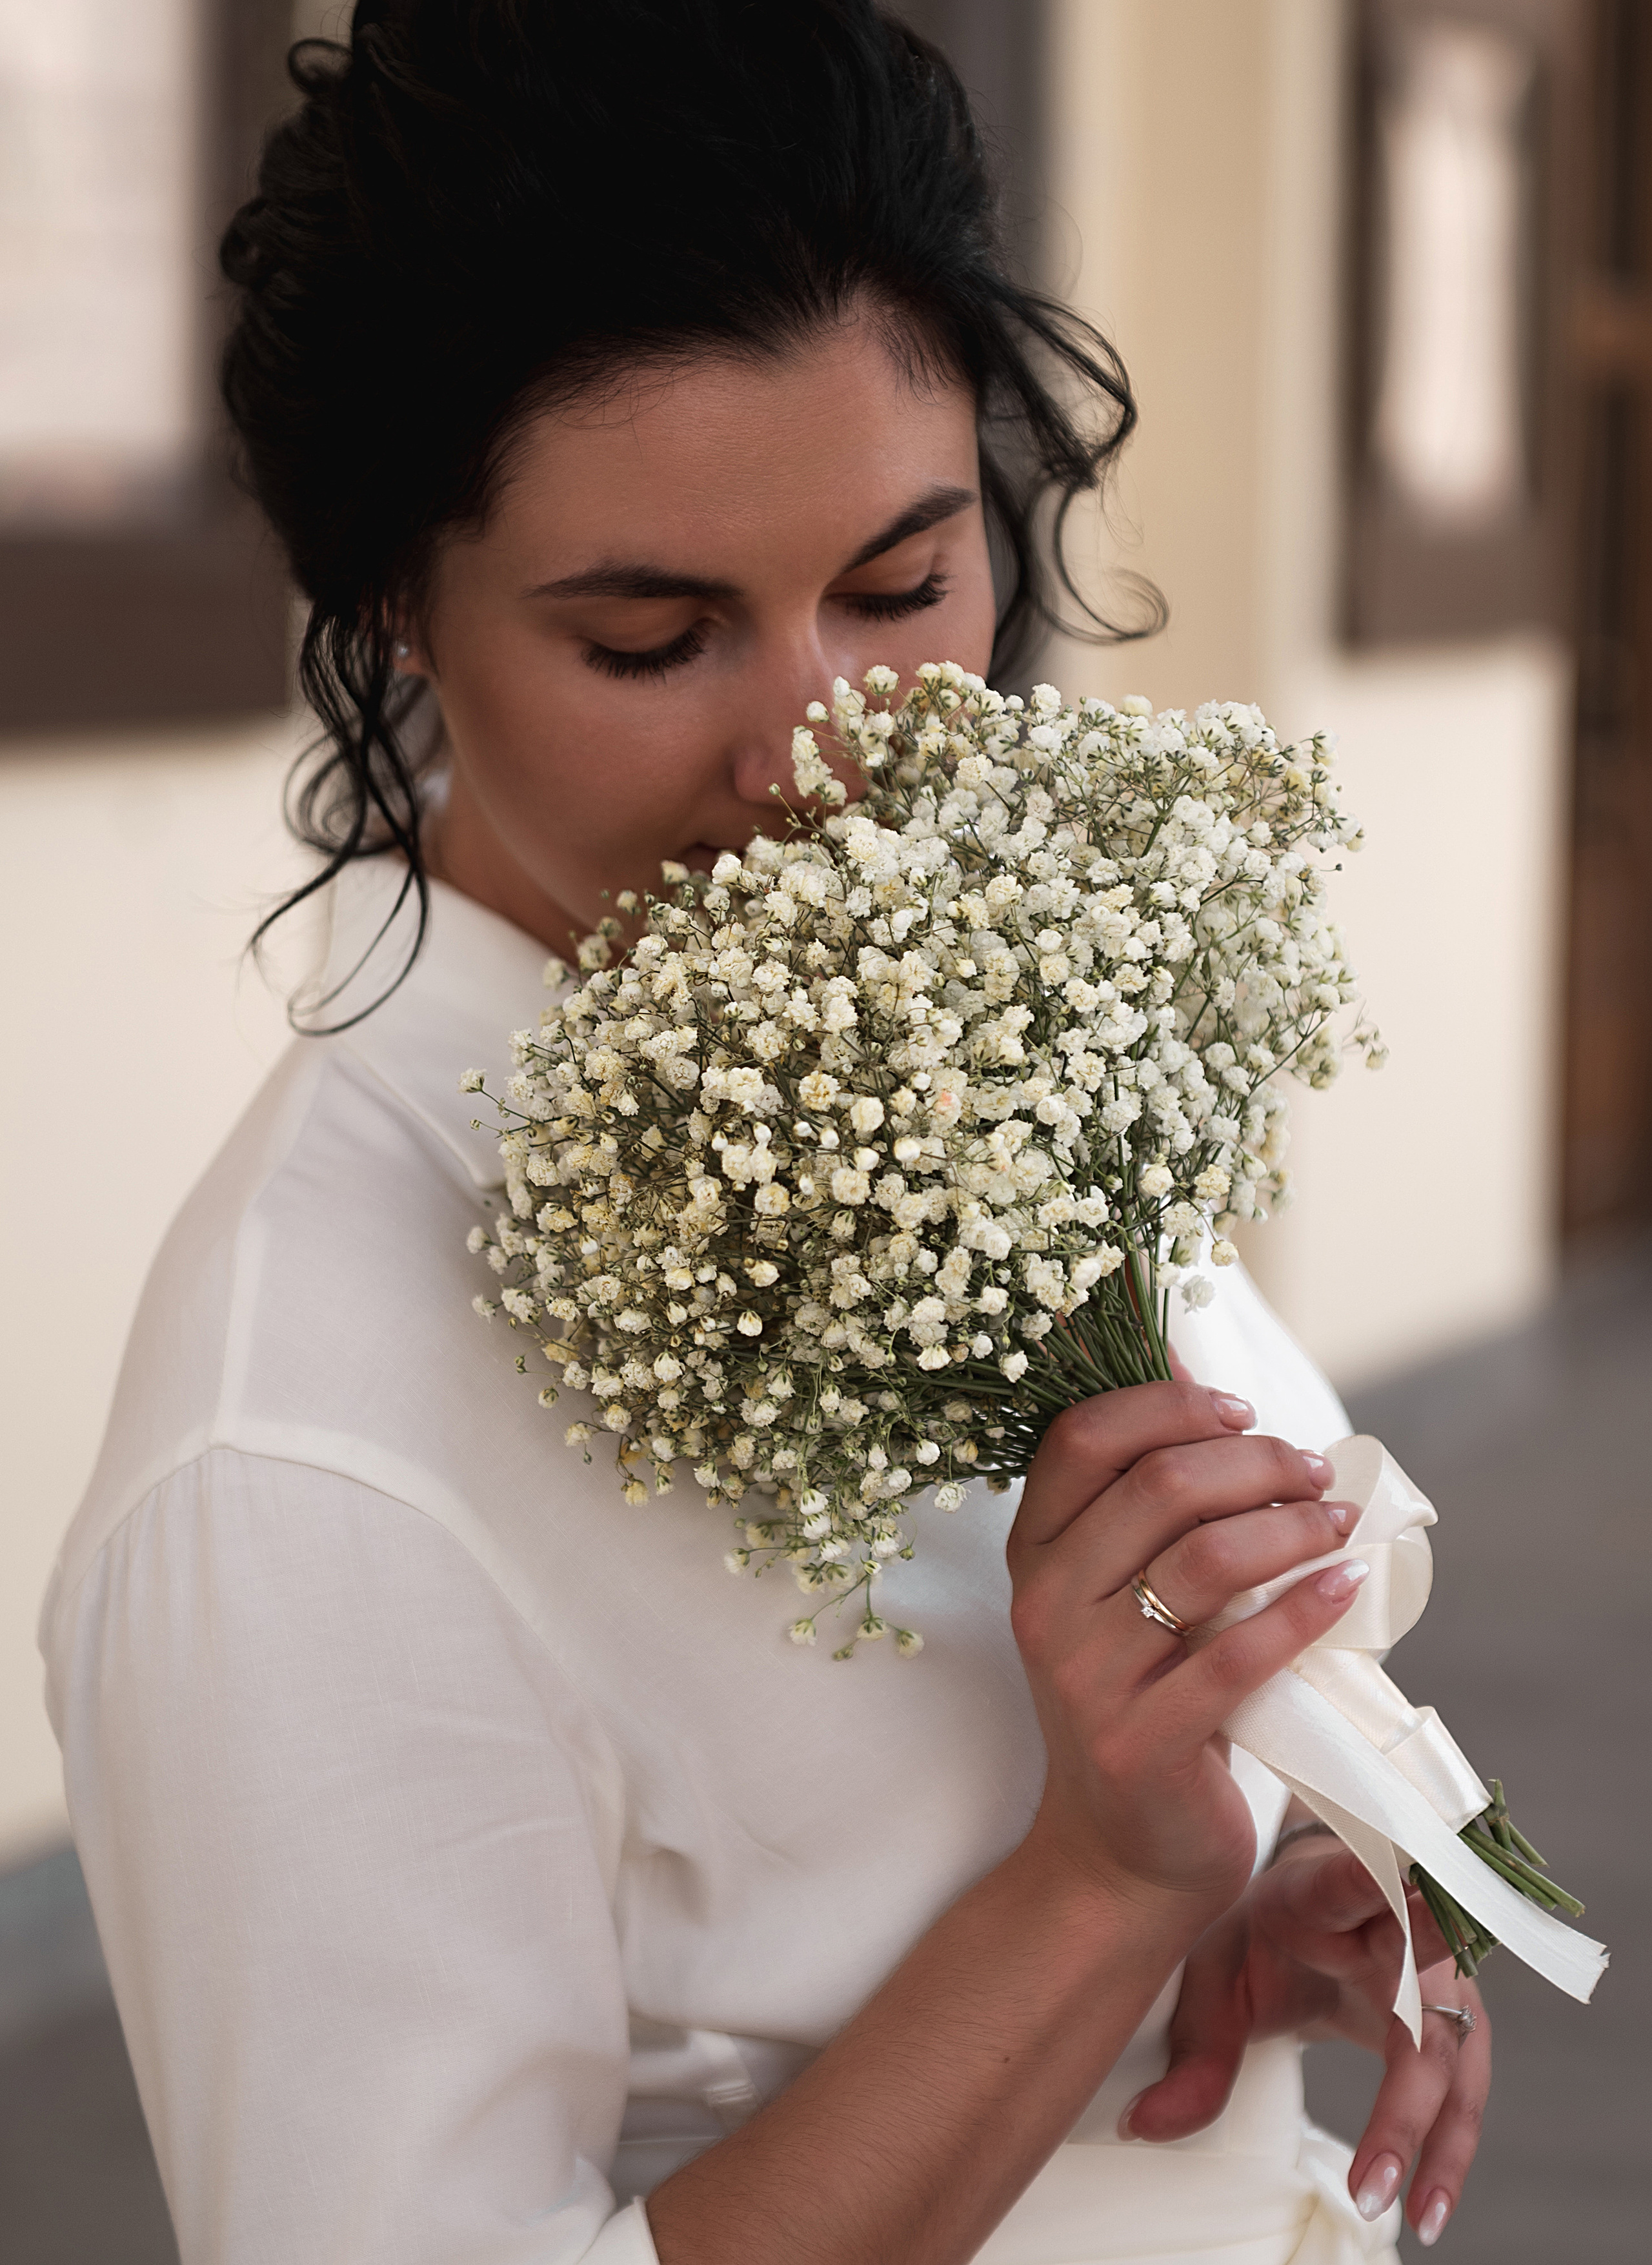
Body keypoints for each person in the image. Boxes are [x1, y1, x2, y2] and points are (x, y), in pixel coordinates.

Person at [41, 6, 1487, 2261]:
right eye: (654, 636)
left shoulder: (949, 1020)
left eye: (904, 586)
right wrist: (1092, 1897)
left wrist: (1270, 1869)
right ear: (397, 600)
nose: (828, 756)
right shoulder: (295, 1460)